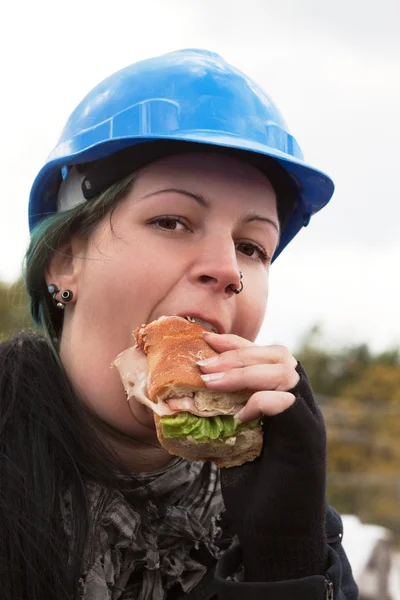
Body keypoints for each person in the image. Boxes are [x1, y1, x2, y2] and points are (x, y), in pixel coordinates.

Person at [0, 49, 358, 600]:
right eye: (172, 220)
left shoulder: (289, 519)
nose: (227, 270)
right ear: (64, 260)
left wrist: (286, 564)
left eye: (251, 246)